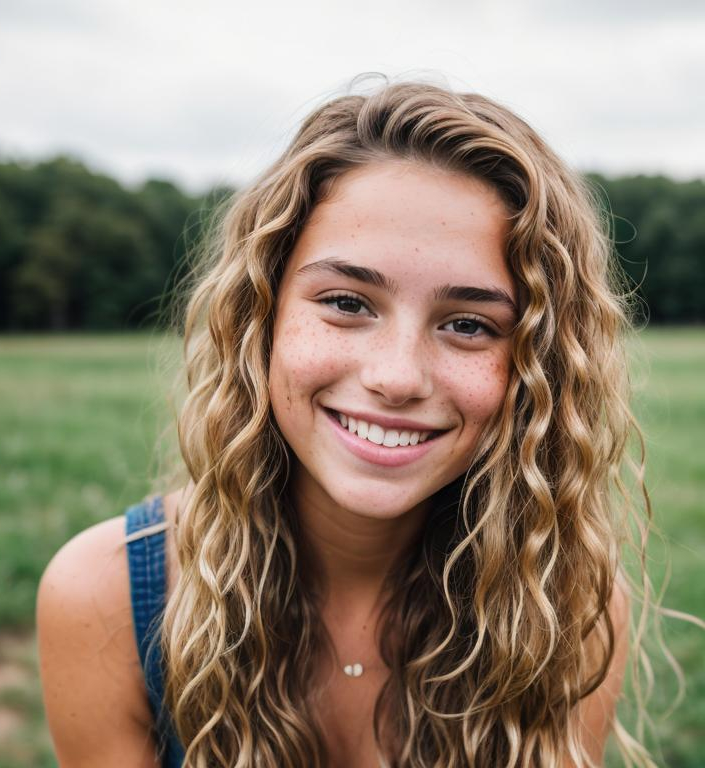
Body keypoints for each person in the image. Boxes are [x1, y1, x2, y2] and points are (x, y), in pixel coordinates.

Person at [36, 79, 654, 767]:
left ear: (535, 365)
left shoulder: (565, 609)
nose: (396, 376)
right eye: (347, 303)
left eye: (469, 324)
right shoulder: (106, 596)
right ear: (261, 314)